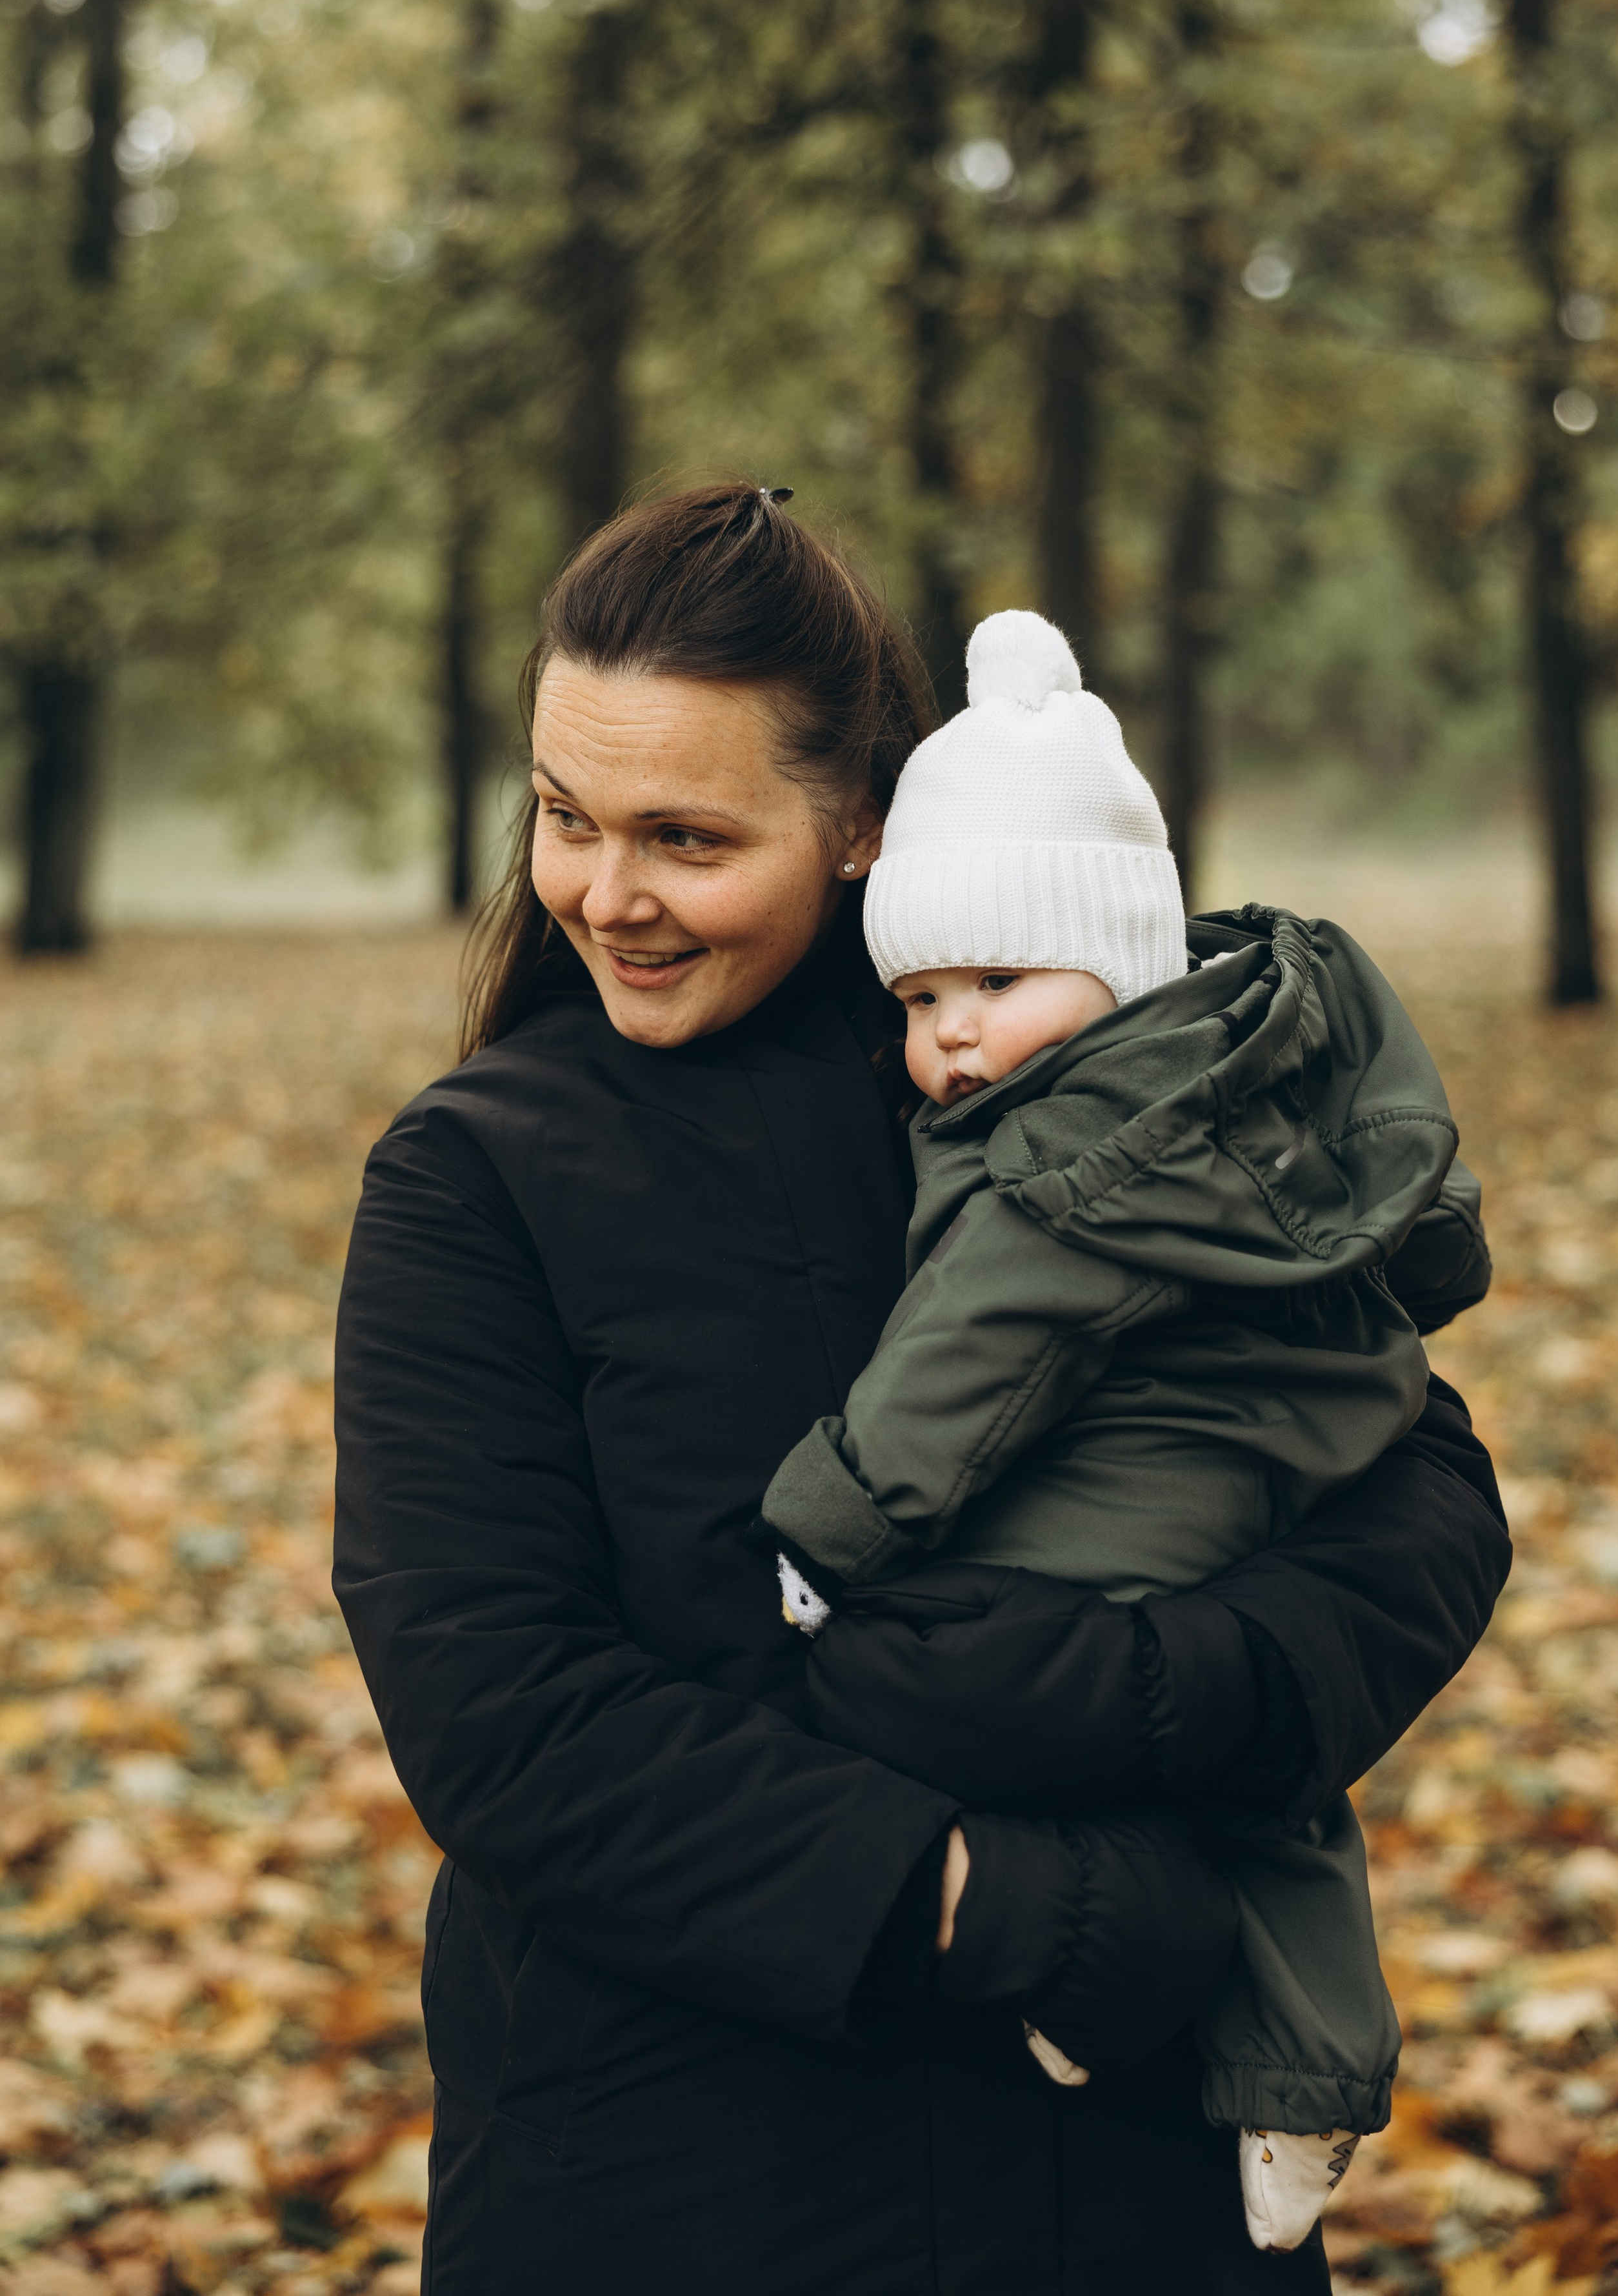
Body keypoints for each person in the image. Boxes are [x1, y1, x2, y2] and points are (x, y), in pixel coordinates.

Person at [332, 483, 1512, 2294]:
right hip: (678, 2183)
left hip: (1123, 2187)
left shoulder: (1067, 1089)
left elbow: (1407, 1480)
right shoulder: (484, 1175)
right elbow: (503, 1712)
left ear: (863, 828)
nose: (606, 893)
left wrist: (1173, 1695)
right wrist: (992, 1904)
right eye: (566, 818)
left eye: (687, 839)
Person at [755, 607, 1493, 2255]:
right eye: (921, 992)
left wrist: (828, 1525)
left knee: (1056, 1666)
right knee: (1249, 1751)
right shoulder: (1219, 1059)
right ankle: (1250, 2038)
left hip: (1188, 1447)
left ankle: (1277, 2050)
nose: (948, 1032)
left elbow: (970, 1358)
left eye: (996, 983)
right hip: (1308, 1424)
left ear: (1115, 959)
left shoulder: (1069, 1153)